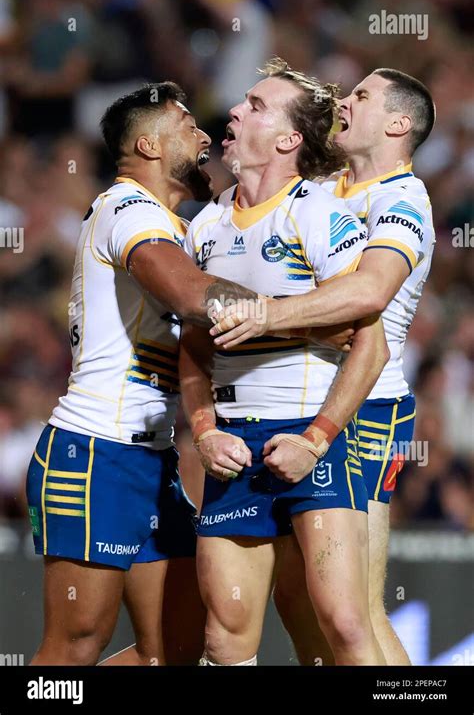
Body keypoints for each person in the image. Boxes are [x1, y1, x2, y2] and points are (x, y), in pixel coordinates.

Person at [26, 81, 258, 666]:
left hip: (150, 463)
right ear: (151, 146)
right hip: (92, 453)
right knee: (75, 645)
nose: (205, 136)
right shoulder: (127, 207)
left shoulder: (171, 227)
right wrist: (298, 309)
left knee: (177, 651)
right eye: (188, 126)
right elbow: (189, 295)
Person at [210, 68, 436, 665]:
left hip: (368, 403)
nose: (343, 101)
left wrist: (265, 315)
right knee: (298, 598)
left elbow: (370, 293)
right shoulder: (331, 188)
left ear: (397, 124)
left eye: (361, 95)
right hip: (306, 398)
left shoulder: (400, 197)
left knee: (354, 608)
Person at [180, 58, 389, 666]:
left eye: (255, 104)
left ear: (288, 138)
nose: (235, 110)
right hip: (235, 446)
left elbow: (369, 343)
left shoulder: (320, 215)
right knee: (224, 637)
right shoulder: (206, 227)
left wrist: (317, 439)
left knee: (345, 626)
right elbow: (192, 349)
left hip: (309, 435)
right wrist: (204, 431)